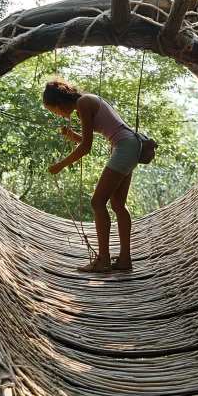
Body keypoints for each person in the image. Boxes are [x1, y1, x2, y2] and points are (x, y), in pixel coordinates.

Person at [43, 77, 140, 273]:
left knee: (97, 203)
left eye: (56, 111)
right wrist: (71, 135)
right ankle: (124, 260)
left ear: (61, 103)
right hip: (131, 145)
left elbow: (86, 147)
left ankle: (103, 260)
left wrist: (60, 165)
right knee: (118, 205)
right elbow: (88, 140)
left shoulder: (83, 103)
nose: (60, 116)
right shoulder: (87, 101)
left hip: (124, 146)